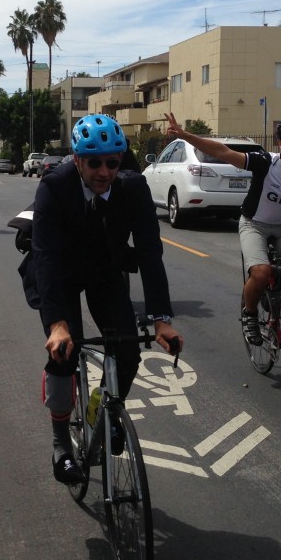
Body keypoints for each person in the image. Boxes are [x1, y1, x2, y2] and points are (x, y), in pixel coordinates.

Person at [31, 114, 184, 484]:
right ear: (77, 159)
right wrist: (57, 324)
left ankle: (105, 410)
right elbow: (46, 258)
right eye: (94, 163)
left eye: (112, 163)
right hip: (62, 274)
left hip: (106, 271)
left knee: (129, 350)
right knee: (64, 354)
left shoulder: (134, 188)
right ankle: (61, 445)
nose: (104, 172)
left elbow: (149, 253)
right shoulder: (54, 187)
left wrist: (161, 317)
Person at [163, 112, 281, 346]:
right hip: (254, 224)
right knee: (261, 272)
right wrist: (185, 136)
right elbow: (223, 152)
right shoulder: (266, 162)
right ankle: (250, 314)